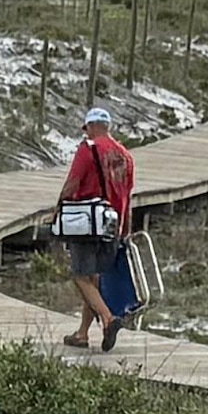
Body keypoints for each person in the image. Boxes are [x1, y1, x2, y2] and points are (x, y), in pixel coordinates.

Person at [59, 103, 139, 348]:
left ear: (92, 127)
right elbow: (128, 194)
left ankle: (108, 319)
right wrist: (126, 228)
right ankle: (82, 334)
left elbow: (73, 182)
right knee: (94, 278)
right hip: (114, 224)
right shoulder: (125, 155)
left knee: (80, 276)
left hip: (88, 223)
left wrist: (59, 207)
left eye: (86, 129)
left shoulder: (88, 149)